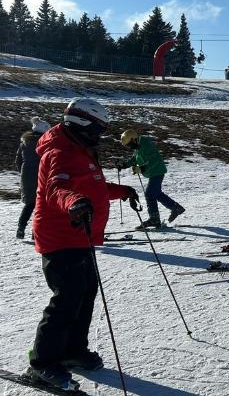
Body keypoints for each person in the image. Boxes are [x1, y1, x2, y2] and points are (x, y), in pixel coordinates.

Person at [28, 98, 139, 390]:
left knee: (85, 292)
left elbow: (92, 185)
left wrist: (122, 190)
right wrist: (74, 201)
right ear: (83, 124)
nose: (99, 135)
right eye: (98, 129)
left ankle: (72, 351)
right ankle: (42, 364)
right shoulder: (60, 151)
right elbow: (57, 187)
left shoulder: (80, 149)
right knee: (66, 299)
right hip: (60, 236)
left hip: (80, 234)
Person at [117, 129, 185, 229]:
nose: (130, 147)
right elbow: (135, 158)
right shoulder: (138, 146)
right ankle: (175, 208)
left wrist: (142, 168)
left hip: (157, 171)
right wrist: (124, 165)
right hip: (153, 172)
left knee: (149, 193)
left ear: (133, 139)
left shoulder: (146, 144)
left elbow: (152, 160)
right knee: (155, 193)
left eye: (129, 144)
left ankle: (155, 219)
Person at [15, 117, 50, 239]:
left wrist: (23, 173)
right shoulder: (45, 143)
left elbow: (18, 160)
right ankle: (36, 233)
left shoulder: (24, 142)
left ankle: (20, 228)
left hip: (26, 176)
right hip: (42, 175)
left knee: (30, 204)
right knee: (42, 205)